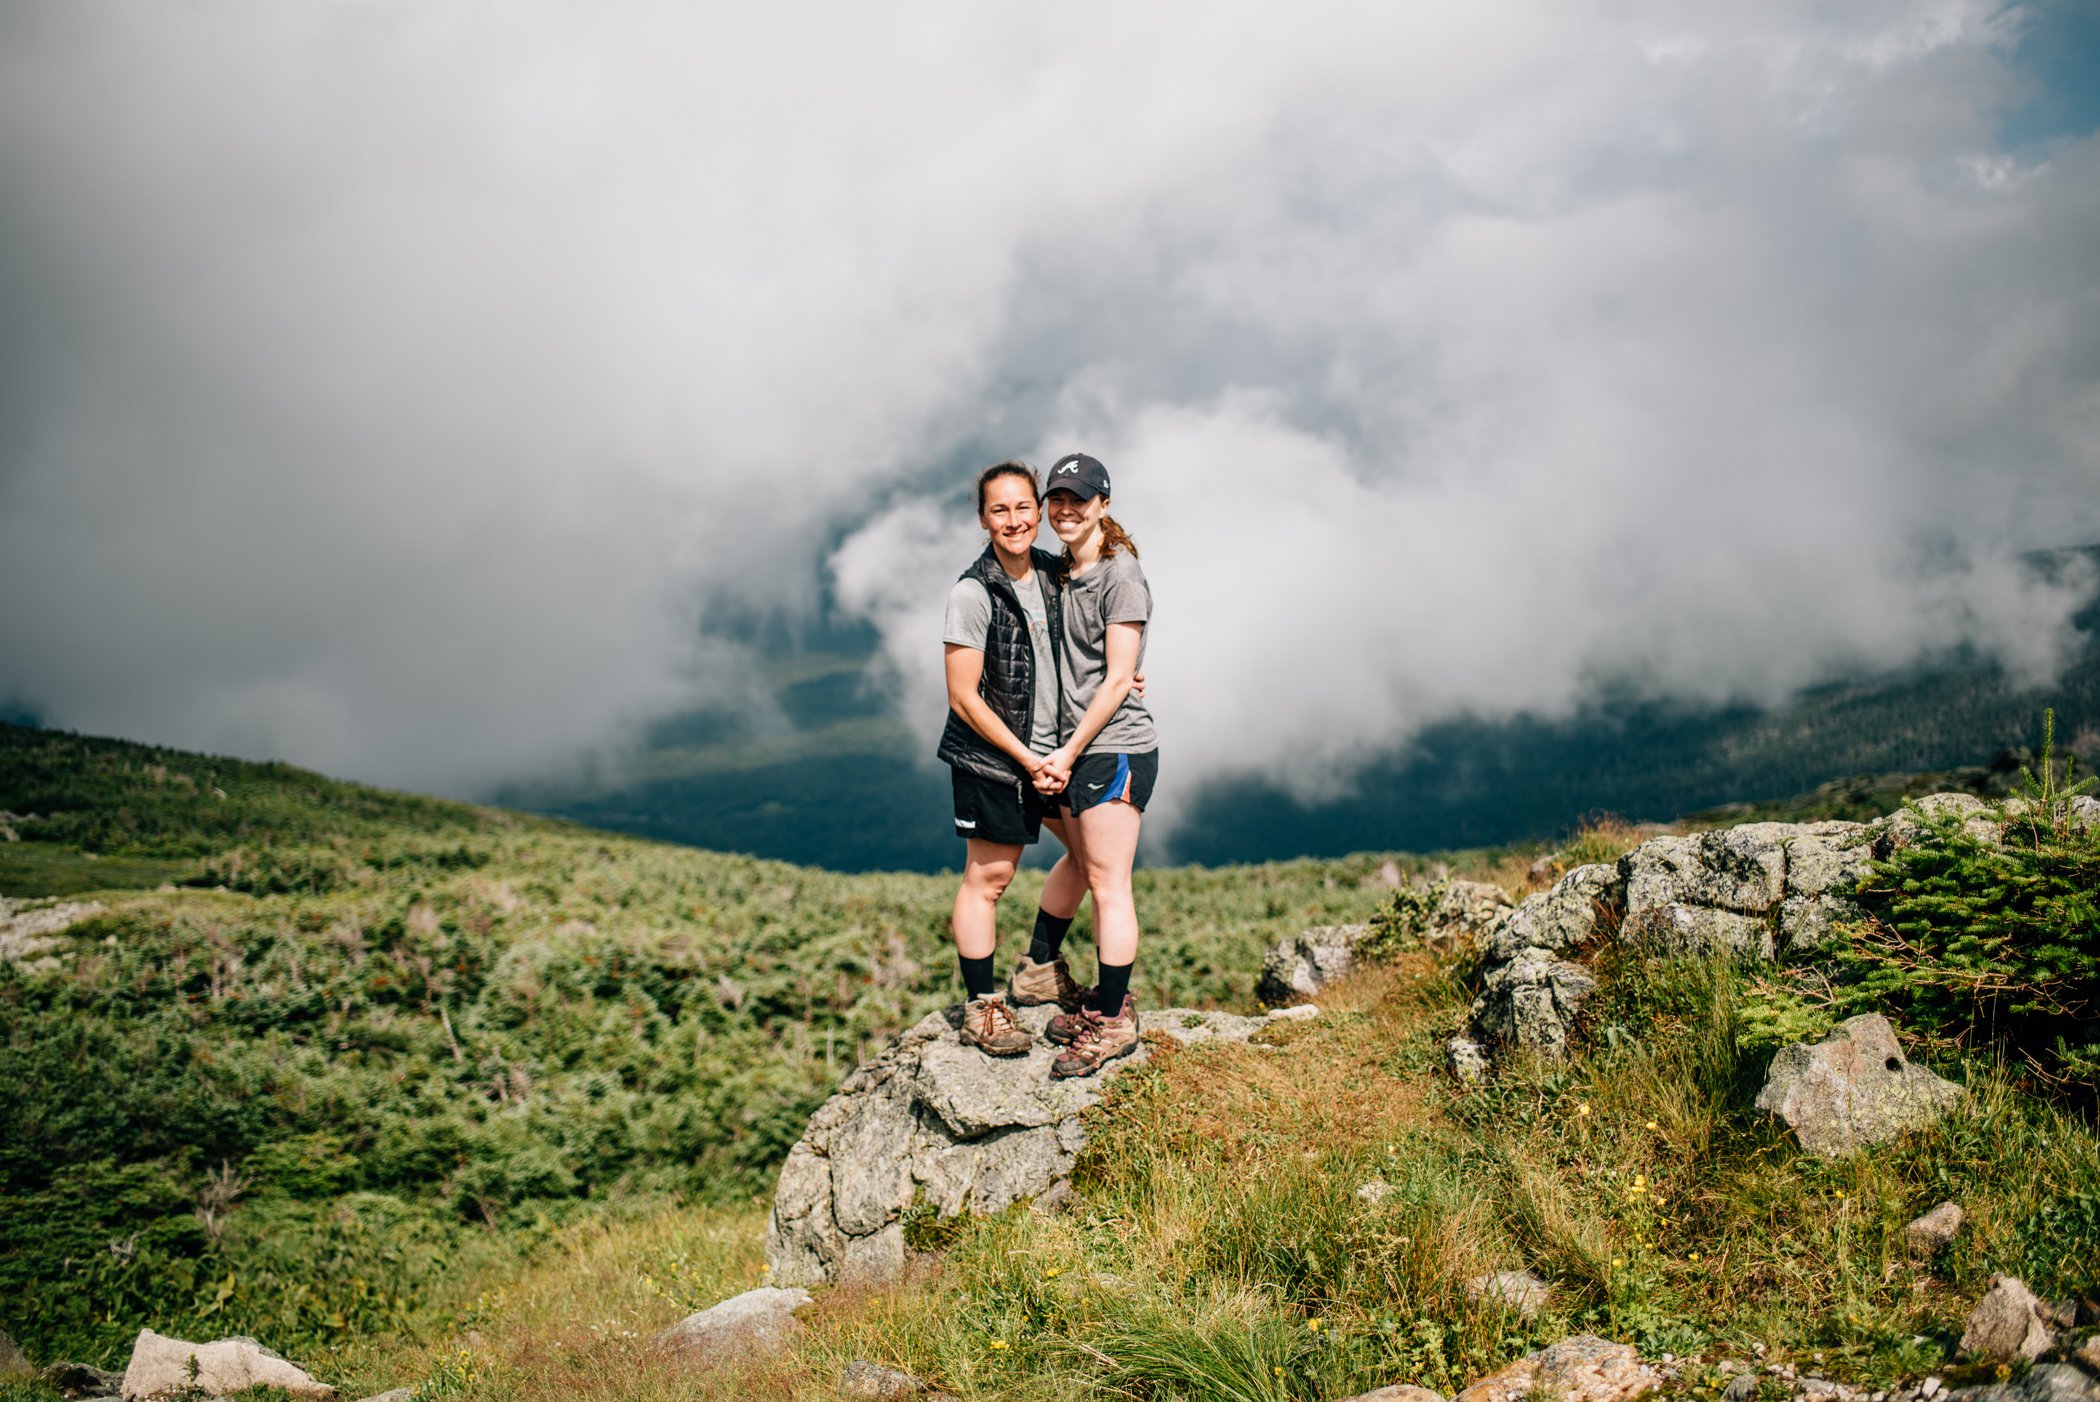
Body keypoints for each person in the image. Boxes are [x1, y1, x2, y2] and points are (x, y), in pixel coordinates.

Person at [937, 461, 1097, 1057]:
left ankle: (1037, 970)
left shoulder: (1059, 573)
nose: (1014, 520)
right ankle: (983, 1008)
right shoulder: (972, 593)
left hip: (1058, 753)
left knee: (1091, 857)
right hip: (995, 761)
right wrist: (1028, 759)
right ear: (983, 519)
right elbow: (963, 697)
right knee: (990, 878)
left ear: (1039, 509)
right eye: (999, 510)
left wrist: (1123, 676)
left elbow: (1089, 643)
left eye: (1023, 507)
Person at [1034, 451, 1158, 1080]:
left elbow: (1113, 682)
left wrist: (1068, 749)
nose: (1065, 509)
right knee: (1080, 862)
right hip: (1074, 746)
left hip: (1111, 748)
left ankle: (1111, 1021)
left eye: (1078, 499)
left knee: (1109, 883)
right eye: (1056, 497)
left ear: (1103, 505)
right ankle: (1038, 972)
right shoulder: (1058, 572)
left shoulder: (1121, 576)